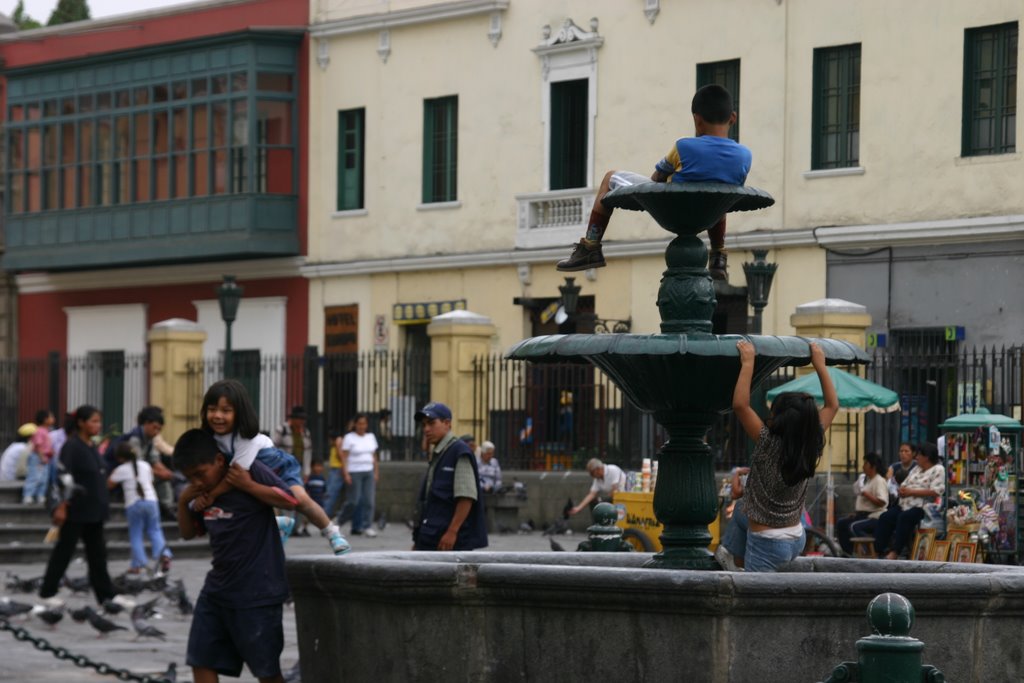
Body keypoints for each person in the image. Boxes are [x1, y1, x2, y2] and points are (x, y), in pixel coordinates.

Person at [556, 84, 751, 281]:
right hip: (708, 215)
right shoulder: (744, 156)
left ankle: (590, 246)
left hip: (672, 211)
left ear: (697, 120)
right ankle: (718, 256)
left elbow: (656, 177)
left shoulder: (683, 146)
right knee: (719, 195)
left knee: (610, 178)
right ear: (733, 118)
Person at [174, 428, 297, 683]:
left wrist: (248, 486)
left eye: (200, 474)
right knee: (201, 660)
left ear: (219, 461)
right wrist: (183, 501)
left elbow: (289, 500)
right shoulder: (201, 493)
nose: (196, 482)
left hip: (258, 592)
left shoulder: (247, 471)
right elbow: (188, 534)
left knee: (266, 671)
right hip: (217, 589)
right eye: (190, 478)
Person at [720, 340, 839, 573]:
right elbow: (833, 405)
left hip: (768, 542)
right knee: (742, 508)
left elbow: (740, 405)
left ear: (779, 420)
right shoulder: (810, 441)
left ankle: (740, 567)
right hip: (796, 535)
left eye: (772, 412)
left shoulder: (768, 443)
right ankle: (733, 559)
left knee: (754, 602)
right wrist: (820, 364)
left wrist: (748, 362)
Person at [194, 379, 350, 555]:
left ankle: (332, 532)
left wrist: (211, 496)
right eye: (212, 409)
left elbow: (235, 476)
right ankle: (277, 523)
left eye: (226, 410)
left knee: (300, 499)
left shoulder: (245, 437)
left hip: (277, 468)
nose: (217, 416)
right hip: (246, 475)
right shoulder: (210, 438)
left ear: (240, 413)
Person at [38, 405, 116, 606]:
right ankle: (48, 591)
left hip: (94, 510)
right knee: (64, 551)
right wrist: (62, 506)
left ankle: (106, 596)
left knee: (98, 555)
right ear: (81, 422)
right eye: (93, 421)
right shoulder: (71, 446)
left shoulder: (92, 446)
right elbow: (63, 477)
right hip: (76, 510)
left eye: (99, 421)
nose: (98, 425)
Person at [412, 402, 488, 551]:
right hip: (431, 536)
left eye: (432, 423)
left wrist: (452, 532)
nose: (426, 429)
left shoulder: (459, 452)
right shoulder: (439, 452)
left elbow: (466, 497)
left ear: (447, 424)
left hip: (450, 542)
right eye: (424, 425)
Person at [108, 441, 172, 574]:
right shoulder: (145, 465)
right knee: (155, 530)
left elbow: (109, 485)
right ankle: (164, 554)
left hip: (134, 503)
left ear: (120, 458)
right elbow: (150, 480)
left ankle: (139, 564)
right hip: (152, 501)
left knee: (136, 534)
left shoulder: (121, 469)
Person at [874, 443, 945, 560]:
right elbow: (905, 483)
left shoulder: (938, 469)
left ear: (926, 457)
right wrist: (902, 490)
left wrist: (911, 492)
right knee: (885, 517)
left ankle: (895, 552)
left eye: (919, 455)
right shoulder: (917, 469)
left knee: (904, 517)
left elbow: (936, 491)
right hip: (904, 504)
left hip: (923, 507)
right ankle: (878, 550)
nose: (916, 458)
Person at [113, 406, 176, 518]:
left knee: (165, 478)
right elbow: (138, 465)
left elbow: (154, 460)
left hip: (138, 471)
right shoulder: (134, 438)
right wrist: (161, 474)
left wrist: (167, 473)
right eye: (154, 428)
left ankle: (167, 508)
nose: (156, 432)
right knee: (162, 479)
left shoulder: (149, 439)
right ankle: (165, 508)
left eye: (159, 430)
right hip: (125, 473)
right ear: (146, 423)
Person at [836, 452, 888, 555]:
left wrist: (865, 493)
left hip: (874, 516)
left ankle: (870, 551)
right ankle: (849, 552)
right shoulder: (867, 480)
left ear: (873, 466)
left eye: (866, 464)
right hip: (862, 515)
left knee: (853, 527)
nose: (863, 466)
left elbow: (881, 502)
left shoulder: (879, 480)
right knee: (841, 523)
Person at [338, 413, 380, 538]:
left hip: (368, 471)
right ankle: (337, 523)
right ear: (355, 424)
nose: (362, 426)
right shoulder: (349, 438)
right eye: (360, 423)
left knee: (369, 501)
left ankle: (367, 526)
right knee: (353, 501)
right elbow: (344, 458)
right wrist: (345, 473)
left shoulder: (370, 437)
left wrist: (376, 472)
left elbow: (374, 457)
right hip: (354, 472)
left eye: (364, 423)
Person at [22, 410, 55, 504]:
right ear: (45, 419)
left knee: (44, 478)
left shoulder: (46, 431)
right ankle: (28, 495)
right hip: (38, 457)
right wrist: (42, 457)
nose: (53, 419)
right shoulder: (40, 431)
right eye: (51, 417)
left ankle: (40, 495)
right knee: (34, 476)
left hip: (45, 457)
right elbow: (38, 445)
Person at [273, 406, 313, 479]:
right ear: (293, 419)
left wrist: (307, 472)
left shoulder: (306, 432)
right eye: (300, 419)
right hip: (284, 466)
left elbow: (308, 453)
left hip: (299, 467)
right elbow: (274, 448)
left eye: (304, 419)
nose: (302, 421)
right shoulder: (282, 429)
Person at [321, 430, 345, 518]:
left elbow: (340, 457)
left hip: (337, 470)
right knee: (329, 493)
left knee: (331, 494)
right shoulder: (333, 447)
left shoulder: (339, 446)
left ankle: (325, 515)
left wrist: (338, 445)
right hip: (333, 470)